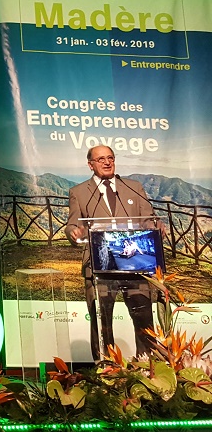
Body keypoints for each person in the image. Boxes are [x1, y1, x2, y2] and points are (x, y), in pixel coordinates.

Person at [66, 145, 159, 360]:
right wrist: (74, 232)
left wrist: (155, 226)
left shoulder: (134, 187)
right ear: (91, 165)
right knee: (102, 320)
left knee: (144, 318)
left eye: (110, 158)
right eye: (101, 159)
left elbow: (147, 220)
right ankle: (106, 370)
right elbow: (72, 224)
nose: (107, 162)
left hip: (135, 265)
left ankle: (149, 369)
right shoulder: (79, 192)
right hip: (99, 266)